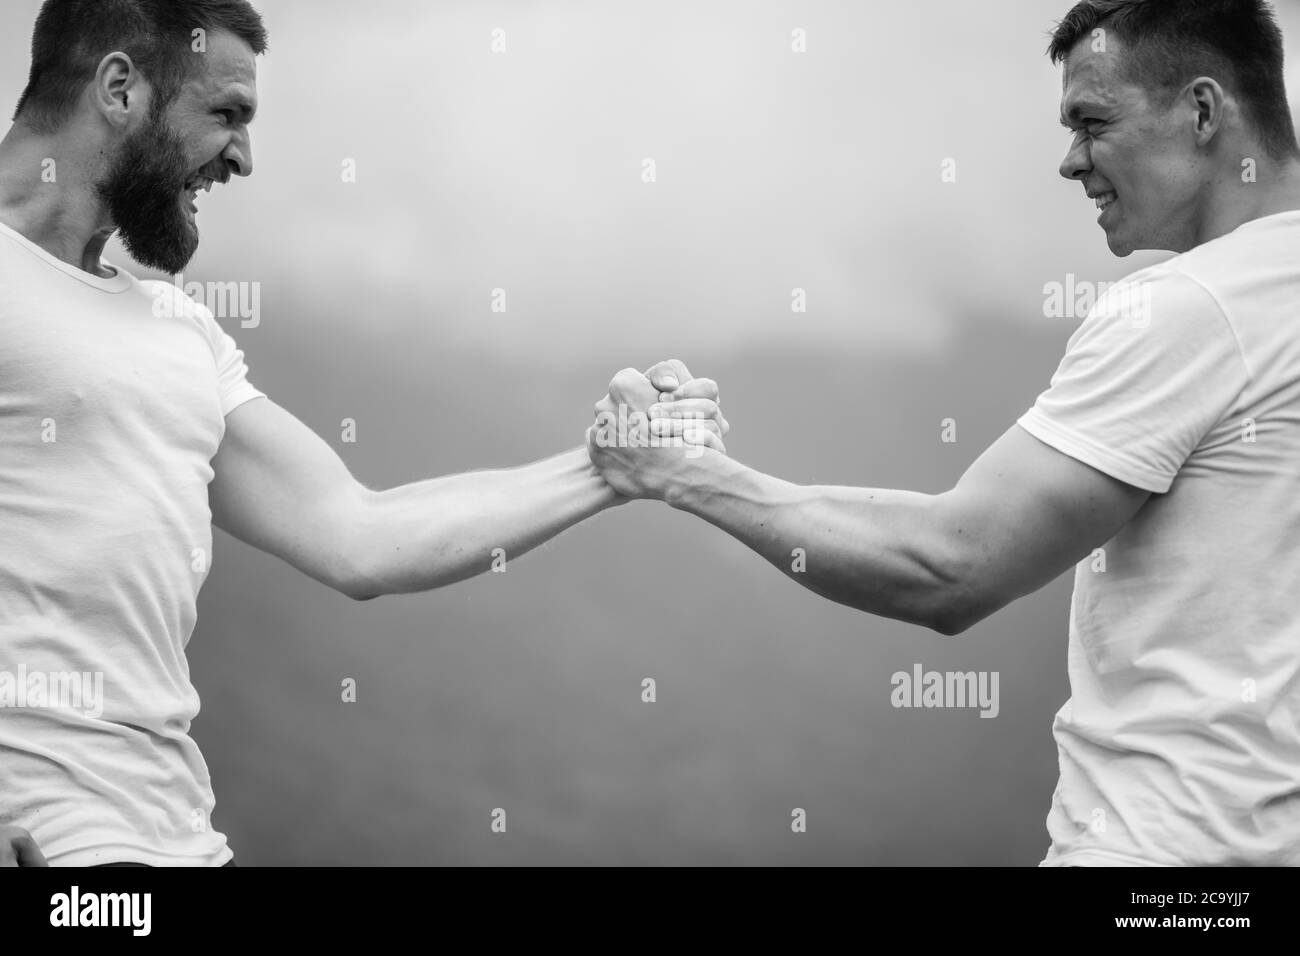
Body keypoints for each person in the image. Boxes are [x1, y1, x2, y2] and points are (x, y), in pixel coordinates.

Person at [0, 0, 726, 866]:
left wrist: (614, 466)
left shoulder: (179, 333)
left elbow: (359, 533)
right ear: (119, 88)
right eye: (224, 114)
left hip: (179, 842)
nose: (243, 156)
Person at [589, 0, 1300, 866]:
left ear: (1202, 111)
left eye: (1092, 122)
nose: (1070, 162)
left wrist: (684, 472)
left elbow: (951, 567)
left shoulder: (1193, 309)